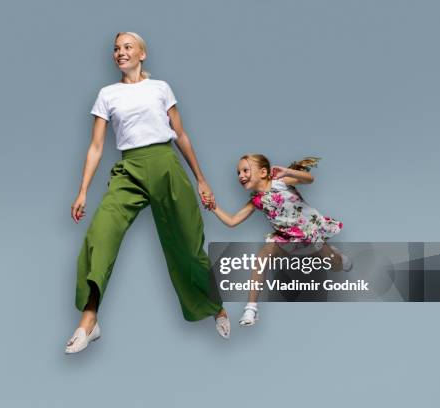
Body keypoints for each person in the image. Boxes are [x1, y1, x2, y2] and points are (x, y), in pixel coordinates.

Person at [65, 32, 230, 354]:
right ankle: (89, 321)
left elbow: (180, 134)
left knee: (187, 245)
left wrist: (201, 179)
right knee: (99, 237)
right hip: (130, 170)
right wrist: (83, 190)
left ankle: (215, 307)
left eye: (127, 47)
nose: (120, 52)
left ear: (142, 54)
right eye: (116, 48)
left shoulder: (160, 88)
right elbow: (97, 147)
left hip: (166, 164)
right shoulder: (107, 94)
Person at [206, 154, 351, 326]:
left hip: (310, 233)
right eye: (238, 173)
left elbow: (310, 179)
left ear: (263, 172)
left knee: (335, 266)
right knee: (263, 256)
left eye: (245, 170)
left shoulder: (281, 181)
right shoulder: (256, 201)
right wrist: (214, 207)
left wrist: (288, 172)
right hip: (286, 239)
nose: (240, 176)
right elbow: (232, 221)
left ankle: (338, 256)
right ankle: (251, 308)